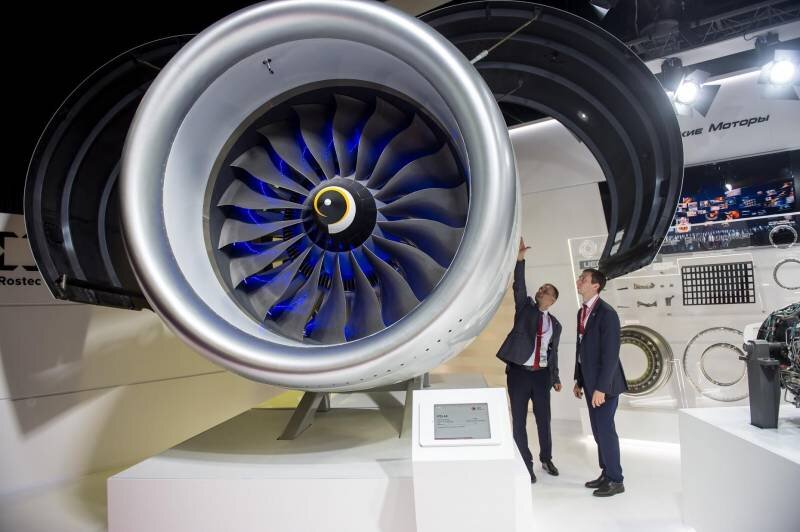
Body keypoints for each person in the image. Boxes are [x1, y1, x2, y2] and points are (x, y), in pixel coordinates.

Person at [497, 237, 562, 484]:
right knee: (519, 421)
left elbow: (553, 353)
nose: (541, 291)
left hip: (542, 375)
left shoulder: (555, 324)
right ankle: (526, 463)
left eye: (546, 291)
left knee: (544, 420)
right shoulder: (525, 308)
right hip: (519, 374)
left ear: (552, 300)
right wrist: (520, 260)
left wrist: (555, 377)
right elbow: (520, 286)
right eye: (541, 288)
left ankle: (546, 458)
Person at [573, 268, 627, 497]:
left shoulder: (607, 313)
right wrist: (579, 379)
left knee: (605, 431)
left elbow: (611, 355)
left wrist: (601, 388)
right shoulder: (582, 312)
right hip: (590, 383)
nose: (579, 281)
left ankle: (616, 480)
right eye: (580, 278)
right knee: (597, 432)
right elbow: (582, 348)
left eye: (583, 279)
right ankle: (606, 473)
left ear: (595, 285)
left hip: (605, 386)